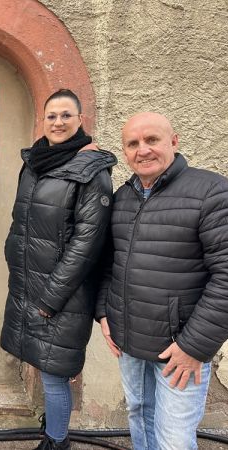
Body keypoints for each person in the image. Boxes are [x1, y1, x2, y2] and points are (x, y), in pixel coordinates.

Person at [96, 112, 228, 450]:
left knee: (174, 439)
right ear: (125, 152)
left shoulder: (211, 192)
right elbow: (109, 263)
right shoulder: (123, 198)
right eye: (133, 144)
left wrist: (193, 347)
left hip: (179, 348)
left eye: (151, 139)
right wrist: (104, 313)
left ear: (174, 141)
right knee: (140, 417)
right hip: (129, 342)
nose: (142, 150)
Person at [1, 89, 116, 450]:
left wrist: (50, 298)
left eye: (66, 115)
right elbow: (22, 220)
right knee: (44, 362)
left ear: (80, 120)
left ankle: (57, 441)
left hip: (63, 293)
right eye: (52, 115)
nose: (58, 122)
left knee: (54, 374)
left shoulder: (92, 172)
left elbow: (87, 244)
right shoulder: (35, 162)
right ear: (43, 120)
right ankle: (53, 426)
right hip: (30, 284)